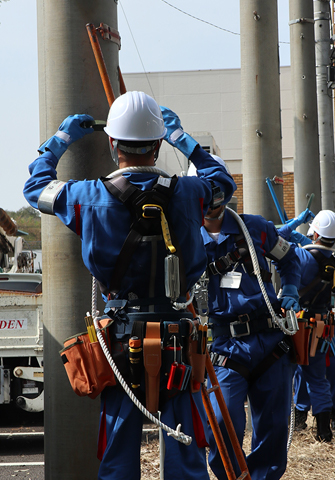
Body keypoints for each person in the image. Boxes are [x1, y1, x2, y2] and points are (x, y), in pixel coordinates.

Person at [23, 91, 236, 480]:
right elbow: (223, 183)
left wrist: (60, 140)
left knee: (118, 452)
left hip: (120, 340)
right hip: (178, 338)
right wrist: (183, 139)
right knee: (186, 451)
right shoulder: (191, 193)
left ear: (111, 143)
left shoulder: (85, 196)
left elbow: (35, 189)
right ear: (157, 145)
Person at [199, 197, 301, 480]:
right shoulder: (185, 236)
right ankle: (235, 476)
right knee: (220, 421)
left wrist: (290, 289)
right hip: (225, 346)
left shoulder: (254, 228)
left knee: (275, 427)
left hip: (270, 341)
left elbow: (289, 259)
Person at [279, 209, 335, 441]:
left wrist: (294, 224)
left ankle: (290, 421)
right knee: (318, 378)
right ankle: (324, 431)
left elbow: (274, 240)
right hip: (321, 328)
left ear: (314, 233)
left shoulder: (299, 256)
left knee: (287, 376)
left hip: (294, 326)